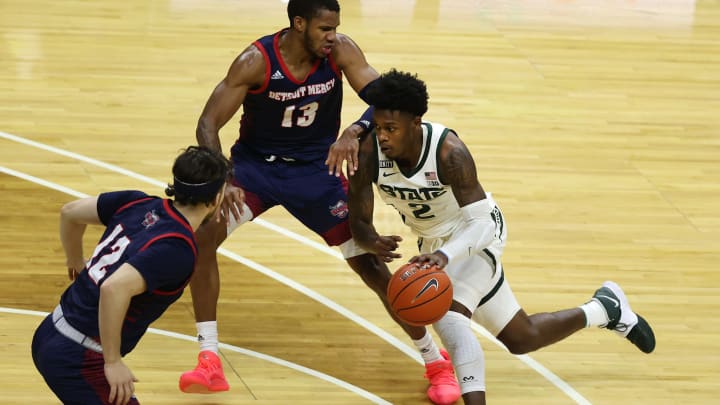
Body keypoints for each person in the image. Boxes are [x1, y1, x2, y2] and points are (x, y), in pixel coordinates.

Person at [178, 1, 461, 403]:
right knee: (202, 239)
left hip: (316, 172)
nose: (332, 36)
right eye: (324, 28)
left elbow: (384, 99)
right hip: (256, 170)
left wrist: (356, 128)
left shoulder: (342, 50)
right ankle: (208, 358)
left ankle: (436, 362)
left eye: (335, 28)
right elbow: (208, 122)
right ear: (299, 23)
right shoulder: (255, 61)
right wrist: (223, 181)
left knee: (372, 267)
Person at [347, 69, 657, 405]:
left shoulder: (449, 153)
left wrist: (445, 256)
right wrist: (371, 240)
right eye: (378, 128)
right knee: (522, 338)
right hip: (433, 247)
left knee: (451, 318)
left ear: (416, 123)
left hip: (477, 237)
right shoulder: (368, 155)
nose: (383, 137)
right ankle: (604, 309)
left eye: (391, 129)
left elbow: (482, 225)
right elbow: (359, 223)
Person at [31, 146, 230, 405]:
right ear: (215, 199)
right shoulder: (177, 248)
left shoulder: (137, 202)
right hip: (80, 358)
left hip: (50, 332)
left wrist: (75, 259)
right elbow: (114, 288)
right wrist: (113, 362)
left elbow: (70, 212)